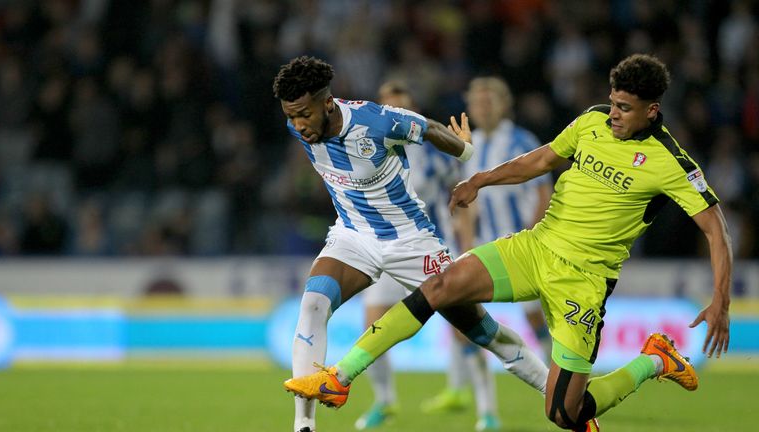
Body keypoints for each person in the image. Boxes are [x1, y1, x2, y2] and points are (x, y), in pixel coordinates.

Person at [284, 54, 732, 432]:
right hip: (534, 247)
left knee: (563, 413)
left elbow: (716, 229)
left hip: (583, 279)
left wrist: (721, 301)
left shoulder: (671, 163)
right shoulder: (593, 122)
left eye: (625, 108)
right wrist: (479, 179)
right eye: (612, 103)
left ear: (652, 111)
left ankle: (653, 360)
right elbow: (540, 161)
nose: (613, 113)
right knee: (440, 286)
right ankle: (339, 378)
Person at [274, 56, 550, 432]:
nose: (298, 125)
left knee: (481, 331)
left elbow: (432, 128)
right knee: (313, 305)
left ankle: (562, 396)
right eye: (291, 116)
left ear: (326, 103)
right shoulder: (300, 128)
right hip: (352, 235)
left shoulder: (376, 121)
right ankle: (304, 426)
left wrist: (464, 151)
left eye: (304, 114)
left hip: (411, 242)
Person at [355, 81, 501, 431]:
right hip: (387, 251)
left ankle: (487, 410)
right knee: (371, 330)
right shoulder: (365, 148)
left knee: (466, 329)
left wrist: (466, 245)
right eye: (390, 107)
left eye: (402, 106)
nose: (396, 113)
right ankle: (385, 401)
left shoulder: (434, 152)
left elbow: (463, 199)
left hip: (429, 250)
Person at [421, 76, 555, 426]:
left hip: (524, 246)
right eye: (477, 101)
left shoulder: (523, 141)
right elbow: (465, 201)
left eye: (489, 100)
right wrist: (465, 246)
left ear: (504, 103)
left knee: (535, 317)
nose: (482, 107)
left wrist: (534, 235)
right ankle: (487, 411)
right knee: (466, 321)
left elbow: (543, 193)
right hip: (483, 248)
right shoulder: (470, 145)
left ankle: (560, 384)